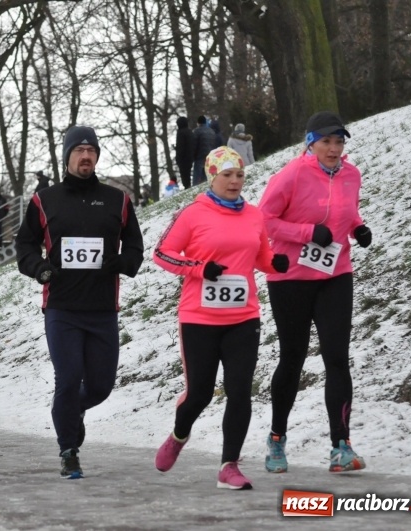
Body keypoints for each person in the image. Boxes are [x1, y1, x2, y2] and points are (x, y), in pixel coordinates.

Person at [152, 147, 289, 490]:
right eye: (227, 175)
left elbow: (261, 257)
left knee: (240, 391)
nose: (234, 181)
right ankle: (178, 435)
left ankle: (229, 465)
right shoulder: (193, 214)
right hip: (199, 317)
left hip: (243, 317)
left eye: (239, 175)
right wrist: (199, 269)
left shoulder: (254, 215)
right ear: (212, 177)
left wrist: (276, 264)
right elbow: (162, 253)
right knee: (199, 393)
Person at [15, 125, 144, 479]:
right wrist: (39, 268)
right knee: (68, 378)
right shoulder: (45, 200)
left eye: (91, 151)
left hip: (102, 309)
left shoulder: (118, 200)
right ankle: (68, 450)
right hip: (62, 308)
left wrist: (123, 263)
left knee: (101, 386)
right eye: (79, 151)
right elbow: (24, 245)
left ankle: (71, 412)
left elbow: (134, 246)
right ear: (67, 156)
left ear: (97, 156)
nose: (86, 156)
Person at [258, 111, 371, 474]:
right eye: (326, 141)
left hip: (336, 273)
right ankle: (277, 440)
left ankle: (341, 445)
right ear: (310, 143)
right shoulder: (290, 175)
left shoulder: (352, 175)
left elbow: (346, 214)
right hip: (290, 277)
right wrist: (307, 233)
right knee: (292, 357)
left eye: (339, 142)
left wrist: (359, 228)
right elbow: (264, 220)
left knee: (337, 357)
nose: (334, 148)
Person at [192, 115, 216, 186]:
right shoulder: (212, 131)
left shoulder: (196, 131)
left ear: (198, 122)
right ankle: (205, 187)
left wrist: (193, 156)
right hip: (210, 155)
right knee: (206, 175)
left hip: (199, 156)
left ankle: (195, 189)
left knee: (197, 176)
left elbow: (194, 145)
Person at [174, 116, 195, 190]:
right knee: (188, 173)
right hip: (190, 157)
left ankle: (187, 187)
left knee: (184, 174)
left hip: (183, 158)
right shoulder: (190, 132)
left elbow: (181, 146)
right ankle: (188, 186)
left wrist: (178, 157)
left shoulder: (180, 133)